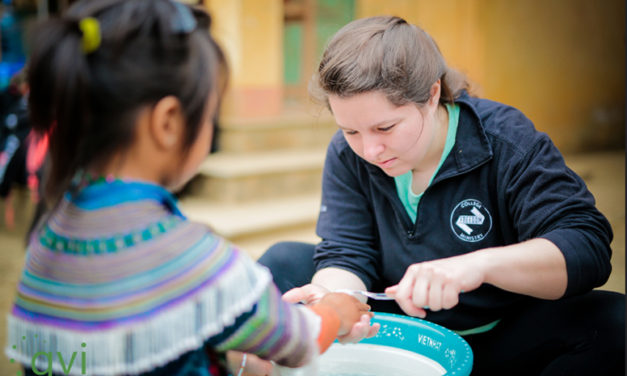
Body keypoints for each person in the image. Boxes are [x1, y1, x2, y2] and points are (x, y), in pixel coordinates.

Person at [6, 1, 373, 375]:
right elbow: (296, 340)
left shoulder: (46, 240)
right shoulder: (186, 256)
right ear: (167, 123)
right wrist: (333, 313)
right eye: (209, 114)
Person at [258, 15, 625, 376]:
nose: (370, 149)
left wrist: (477, 266)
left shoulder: (504, 140)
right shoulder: (346, 154)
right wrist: (335, 301)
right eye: (351, 130)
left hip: (501, 332)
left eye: (385, 127)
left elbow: (586, 245)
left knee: (613, 323)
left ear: (432, 95)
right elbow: (346, 253)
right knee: (282, 264)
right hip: (391, 326)